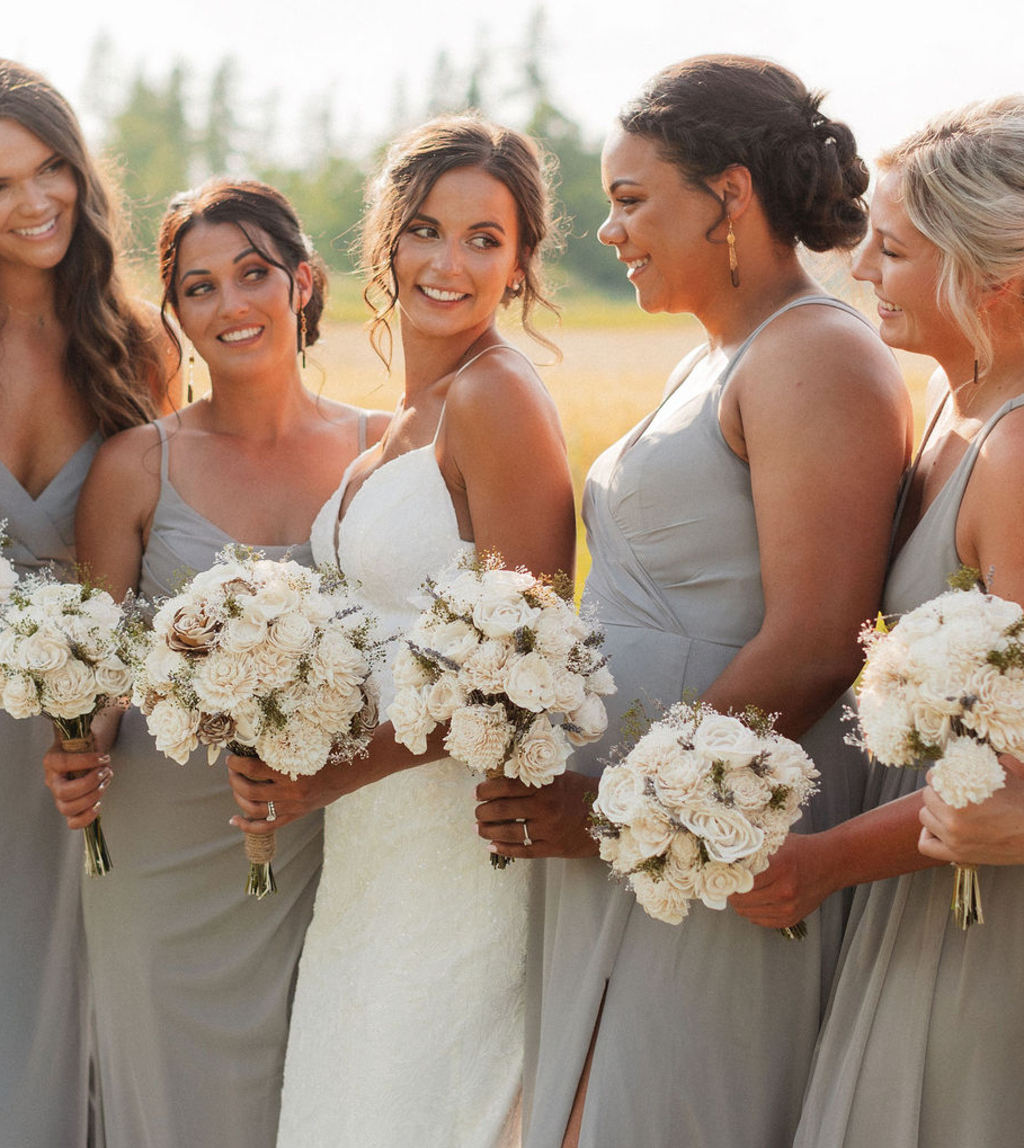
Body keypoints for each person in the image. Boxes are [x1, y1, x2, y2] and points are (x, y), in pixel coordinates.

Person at [474, 56, 912, 1148]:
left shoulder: (815, 354)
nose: (609, 231)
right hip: (635, 821)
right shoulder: (711, 356)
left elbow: (816, 641)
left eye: (630, 199)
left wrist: (625, 808)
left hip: (716, 828)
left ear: (729, 194)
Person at [227, 115, 575, 1147]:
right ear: (385, 238)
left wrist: (325, 775)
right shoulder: (401, 418)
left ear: (518, 264)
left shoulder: (501, 399)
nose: (449, 262)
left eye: (484, 238)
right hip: (369, 844)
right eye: (426, 228)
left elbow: (521, 665)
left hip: (455, 840)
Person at [43, 179, 387, 1148]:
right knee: (171, 1091)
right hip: (162, 839)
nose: (231, 304)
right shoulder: (133, 465)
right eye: (199, 287)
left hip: (330, 828)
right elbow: (101, 664)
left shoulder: (384, 447)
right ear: (177, 313)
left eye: (252, 274)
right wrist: (81, 745)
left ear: (303, 283)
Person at [729, 97, 1024, 1148]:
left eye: (891, 251)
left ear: (989, 278)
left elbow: (1010, 773)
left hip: (982, 924)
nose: (859, 272)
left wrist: (820, 861)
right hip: (911, 893)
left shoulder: (1018, 453)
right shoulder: (954, 405)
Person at [0, 58, 174, 1147]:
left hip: (76, 740)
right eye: (0, 180)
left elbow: (155, 545)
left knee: (74, 1002)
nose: (32, 198)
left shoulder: (134, 345)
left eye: (50, 165)